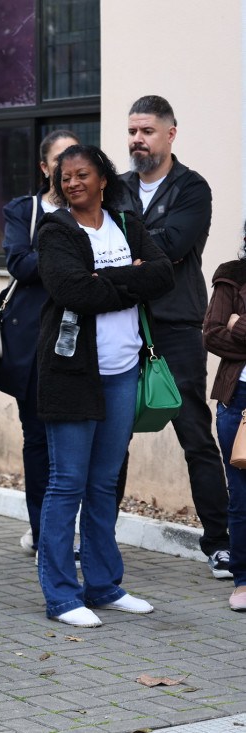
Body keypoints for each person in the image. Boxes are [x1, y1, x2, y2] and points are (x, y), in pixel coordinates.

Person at [36, 144, 173, 628]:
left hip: (122, 372)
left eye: (82, 175)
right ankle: (61, 595)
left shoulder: (127, 223)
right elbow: (72, 289)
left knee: (103, 483)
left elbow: (162, 275)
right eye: (65, 176)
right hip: (73, 375)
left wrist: (107, 280)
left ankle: (104, 585)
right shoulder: (55, 230)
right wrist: (127, 278)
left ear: (102, 179)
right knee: (66, 483)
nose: (72, 183)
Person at [119, 95, 231, 579]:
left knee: (195, 437)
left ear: (170, 134)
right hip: (120, 322)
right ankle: (100, 538)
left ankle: (221, 543)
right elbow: (95, 238)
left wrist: (123, 244)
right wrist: (140, 245)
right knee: (111, 437)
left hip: (177, 326)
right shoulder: (116, 187)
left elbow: (173, 246)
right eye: (132, 132)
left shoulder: (193, 188)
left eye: (146, 131)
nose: (137, 140)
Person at [0, 130, 81, 555]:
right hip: (31, 342)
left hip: (84, 339)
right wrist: (72, 265)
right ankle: (44, 532)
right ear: (45, 168)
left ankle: (70, 528)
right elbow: (18, 262)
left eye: (77, 159)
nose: (70, 169)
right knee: (37, 439)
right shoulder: (24, 210)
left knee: (79, 438)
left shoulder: (98, 211)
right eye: (61, 159)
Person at [202, 232, 246, 611]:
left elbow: (230, 330)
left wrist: (241, 325)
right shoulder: (231, 275)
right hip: (241, 399)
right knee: (243, 493)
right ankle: (244, 580)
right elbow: (212, 334)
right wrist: (228, 325)